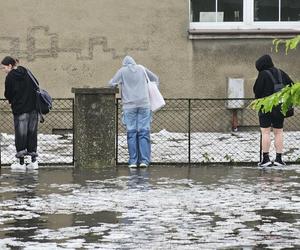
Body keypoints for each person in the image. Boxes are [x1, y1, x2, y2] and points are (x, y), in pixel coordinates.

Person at [109, 55, 159, 168]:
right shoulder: (142, 68)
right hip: (144, 104)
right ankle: (144, 161)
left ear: (124, 64)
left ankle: (133, 161)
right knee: (143, 132)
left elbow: (111, 83)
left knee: (131, 133)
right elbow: (155, 78)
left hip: (129, 106)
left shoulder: (122, 71)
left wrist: (118, 84)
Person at [253, 54, 293, 167]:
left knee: (265, 132)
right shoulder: (281, 73)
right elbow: (292, 86)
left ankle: (265, 159)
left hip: (265, 107)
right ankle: (279, 159)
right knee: (278, 132)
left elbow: (257, 91)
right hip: (280, 107)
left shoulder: (263, 75)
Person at [1, 56, 39, 170]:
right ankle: (32, 161)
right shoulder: (27, 72)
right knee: (32, 134)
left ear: (10, 66)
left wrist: (14, 99)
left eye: (4, 68)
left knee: (21, 135)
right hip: (33, 108)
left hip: (20, 109)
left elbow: (8, 94)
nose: (3, 70)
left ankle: (21, 162)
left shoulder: (10, 77)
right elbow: (36, 84)